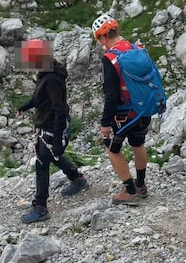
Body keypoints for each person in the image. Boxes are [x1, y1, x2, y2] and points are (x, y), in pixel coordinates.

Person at [16, 39, 88, 224]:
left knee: (42, 163)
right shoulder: (47, 73)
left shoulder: (52, 78)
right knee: (50, 155)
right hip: (48, 123)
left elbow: (60, 109)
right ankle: (77, 178)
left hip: (51, 125)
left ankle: (41, 207)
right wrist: (25, 106)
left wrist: (57, 140)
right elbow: (40, 97)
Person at [91, 14, 150, 205]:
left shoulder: (110, 58)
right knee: (138, 145)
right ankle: (141, 185)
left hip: (124, 114)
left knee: (113, 149)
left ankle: (131, 191)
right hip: (144, 108)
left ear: (102, 37)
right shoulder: (136, 48)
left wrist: (105, 124)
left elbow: (112, 95)